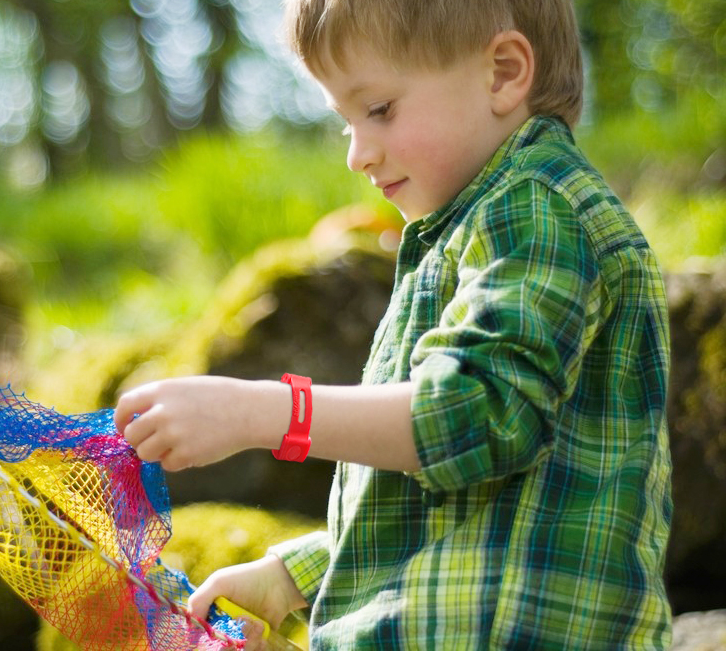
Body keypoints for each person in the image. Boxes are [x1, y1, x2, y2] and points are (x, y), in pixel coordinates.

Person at [113, 0, 674, 647]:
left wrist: (260, 412)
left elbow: (473, 415)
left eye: (378, 109)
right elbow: (473, 501)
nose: (356, 153)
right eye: (345, 120)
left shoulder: (537, 213)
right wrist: (294, 574)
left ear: (502, 73)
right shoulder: (474, 227)